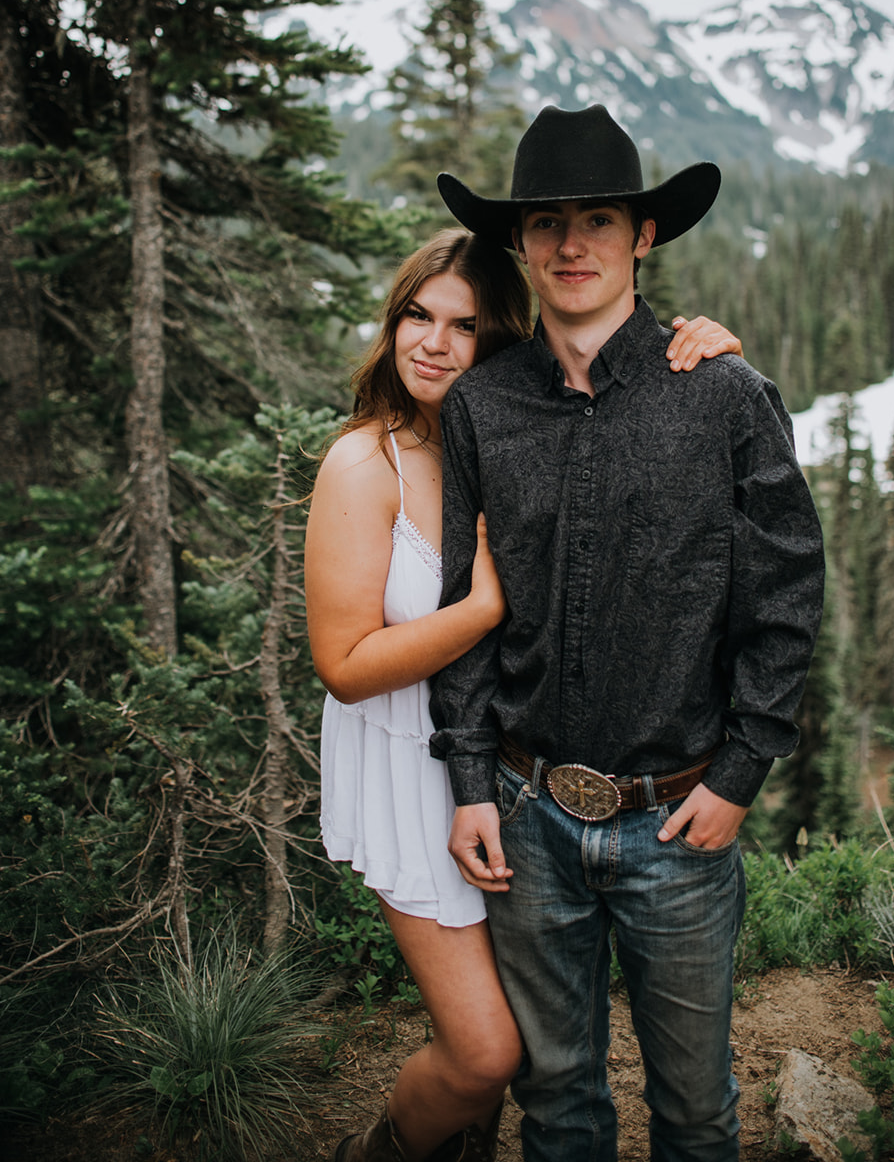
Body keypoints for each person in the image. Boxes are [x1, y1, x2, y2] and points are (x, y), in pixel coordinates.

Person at [429, 104, 825, 1162]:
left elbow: (785, 597)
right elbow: (459, 609)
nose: (571, 245)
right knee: (558, 1104)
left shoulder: (728, 398)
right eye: (547, 221)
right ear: (518, 239)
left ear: (643, 235)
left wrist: (741, 770)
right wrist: (471, 777)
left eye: (598, 219)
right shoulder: (480, 409)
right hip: (527, 815)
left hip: (675, 821)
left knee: (694, 1111)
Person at [305, 225, 744, 1162]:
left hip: (502, 771)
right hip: (408, 767)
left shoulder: (504, 429)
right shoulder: (361, 464)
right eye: (415, 317)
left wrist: (698, 353)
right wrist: (483, 608)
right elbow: (342, 666)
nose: (432, 342)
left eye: (462, 327)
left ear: (498, 339)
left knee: (534, 1048)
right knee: (487, 1049)